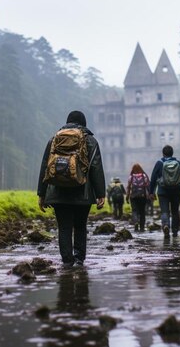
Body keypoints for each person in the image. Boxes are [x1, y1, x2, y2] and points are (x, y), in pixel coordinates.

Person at [37, 110, 106, 268]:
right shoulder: (91, 141)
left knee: (64, 227)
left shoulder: (54, 139)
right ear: (84, 124)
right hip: (83, 193)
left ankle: (67, 261)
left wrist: (42, 193)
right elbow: (96, 167)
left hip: (58, 192)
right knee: (80, 226)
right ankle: (79, 260)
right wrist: (100, 193)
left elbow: (44, 167)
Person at [149, 145, 180, 238]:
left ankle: (165, 225)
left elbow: (153, 178)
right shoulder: (178, 163)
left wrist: (151, 192)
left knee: (165, 211)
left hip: (163, 192)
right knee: (175, 212)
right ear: (172, 153)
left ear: (163, 153)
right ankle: (175, 232)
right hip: (176, 191)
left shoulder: (159, 163)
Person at [126, 163, 150, 232]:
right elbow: (147, 185)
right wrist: (150, 195)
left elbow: (128, 187)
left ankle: (136, 222)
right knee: (142, 212)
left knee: (134, 210)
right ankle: (142, 227)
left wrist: (127, 197)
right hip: (142, 196)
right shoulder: (144, 175)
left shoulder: (131, 177)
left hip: (133, 196)